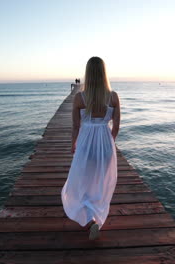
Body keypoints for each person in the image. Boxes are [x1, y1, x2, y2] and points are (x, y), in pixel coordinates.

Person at [61, 57, 121, 240]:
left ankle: (90, 219)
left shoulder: (80, 97)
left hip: (86, 144)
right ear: (104, 73)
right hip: (105, 143)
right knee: (100, 183)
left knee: (81, 182)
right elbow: (117, 126)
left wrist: (73, 143)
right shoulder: (113, 96)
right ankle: (96, 216)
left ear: (87, 73)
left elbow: (75, 126)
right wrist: (109, 142)